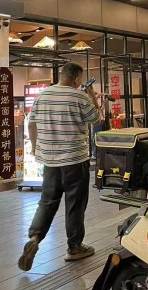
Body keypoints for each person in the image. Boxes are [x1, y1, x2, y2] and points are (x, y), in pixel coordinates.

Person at [18, 62, 103, 271]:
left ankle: (35, 237)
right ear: (77, 79)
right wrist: (92, 96)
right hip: (75, 160)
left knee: (47, 201)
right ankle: (74, 248)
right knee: (75, 204)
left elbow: (31, 123)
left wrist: (36, 148)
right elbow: (97, 119)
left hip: (50, 161)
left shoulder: (42, 95)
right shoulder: (79, 96)